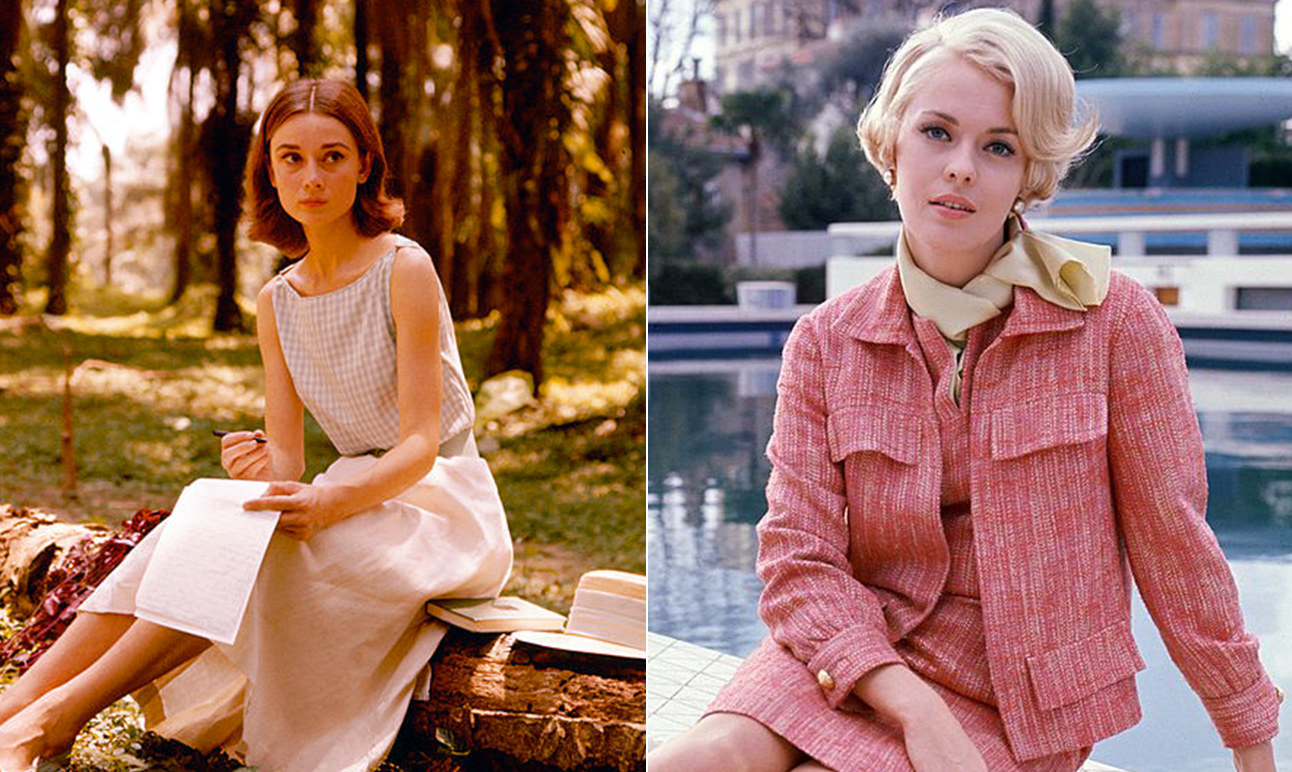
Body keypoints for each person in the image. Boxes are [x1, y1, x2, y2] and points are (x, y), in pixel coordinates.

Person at [647, 9, 1280, 772]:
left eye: (999, 146)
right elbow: (797, 556)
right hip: (852, 653)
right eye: (937, 132)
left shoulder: (1117, 325)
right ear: (891, 143)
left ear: (1029, 175)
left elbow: (1176, 548)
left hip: (1015, 692)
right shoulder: (826, 341)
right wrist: (907, 703)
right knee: (699, 759)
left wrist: (1251, 744)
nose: (960, 168)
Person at [0, 78, 513, 772]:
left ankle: (51, 724)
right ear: (268, 170)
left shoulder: (404, 267)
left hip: (440, 507)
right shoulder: (279, 299)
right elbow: (290, 463)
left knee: (248, 556)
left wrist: (331, 501)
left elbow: (423, 445)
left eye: (333, 157)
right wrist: (260, 467)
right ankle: (13, 709)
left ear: (365, 164)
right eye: (291, 158)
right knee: (197, 522)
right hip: (347, 490)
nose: (312, 177)